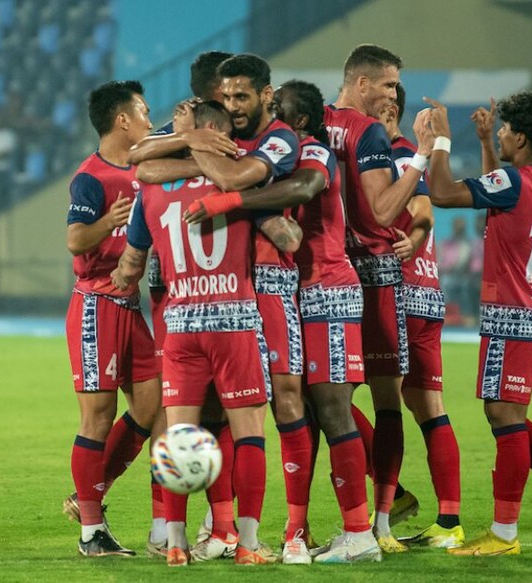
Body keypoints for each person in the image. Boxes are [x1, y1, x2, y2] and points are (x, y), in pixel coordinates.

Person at [183, 80, 381, 564]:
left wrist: (236, 202)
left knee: (326, 411)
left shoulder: (309, 151)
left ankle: (356, 532)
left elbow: (304, 192)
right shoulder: (252, 152)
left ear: (300, 122)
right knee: (247, 407)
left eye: (281, 113)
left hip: (325, 289)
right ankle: (256, 528)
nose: (273, 121)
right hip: (272, 289)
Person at [113, 100, 302, 567]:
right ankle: (249, 544)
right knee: (249, 433)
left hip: (179, 325)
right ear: (217, 134)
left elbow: (130, 266)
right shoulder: (233, 179)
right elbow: (287, 237)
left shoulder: (151, 188)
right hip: (233, 320)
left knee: (177, 437)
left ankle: (176, 544)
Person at [418, 92, 532, 556]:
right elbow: (500, 189)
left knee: (504, 417)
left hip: (511, 316)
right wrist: (485, 145)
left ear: (520, 136)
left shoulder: (514, 180)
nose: (499, 130)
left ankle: (504, 535)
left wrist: (440, 141)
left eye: (504, 128)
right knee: (508, 415)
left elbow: (442, 193)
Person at [323, 44, 424, 550]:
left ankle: (361, 521)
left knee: (328, 398)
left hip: (323, 273)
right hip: (375, 273)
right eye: (386, 84)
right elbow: (385, 211)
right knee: (386, 401)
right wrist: (421, 157)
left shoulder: (315, 121)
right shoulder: (369, 132)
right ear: (360, 83)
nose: (391, 95)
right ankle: (379, 521)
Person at [64, 80, 161, 557]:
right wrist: (109, 221)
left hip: (130, 307)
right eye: (142, 111)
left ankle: (87, 496)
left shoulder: (146, 167)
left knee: (152, 404)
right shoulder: (91, 177)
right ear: (122, 120)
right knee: (97, 417)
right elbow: (76, 241)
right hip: (97, 306)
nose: (149, 118)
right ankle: (91, 532)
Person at [378, 84, 464, 548]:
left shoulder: (393, 153)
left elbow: (424, 208)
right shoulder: (405, 153)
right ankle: (450, 524)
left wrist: (411, 236)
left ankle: (383, 519)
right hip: (427, 292)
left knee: (338, 399)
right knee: (429, 409)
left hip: (399, 290)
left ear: (390, 109)